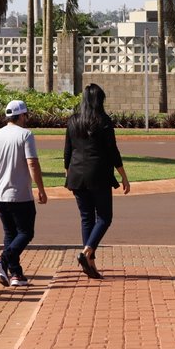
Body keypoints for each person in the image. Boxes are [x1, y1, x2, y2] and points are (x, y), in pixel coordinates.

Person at [64, 84, 130, 279]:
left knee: (87, 218)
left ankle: (90, 263)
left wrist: (68, 174)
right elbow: (112, 152)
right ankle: (87, 253)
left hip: (77, 174)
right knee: (104, 218)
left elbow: (67, 151)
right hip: (98, 174)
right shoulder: (103, 121)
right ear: (99, 100)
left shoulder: (73, 120)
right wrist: (123, 176)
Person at [0, 100, 47, 287]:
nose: (26, 119)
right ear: (21, 116)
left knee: (10, 233)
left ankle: (16, 275)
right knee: (26, 232)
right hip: (19, 194)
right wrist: (41, 189)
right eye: (25, 115)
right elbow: (32, 163)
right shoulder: (25, 135)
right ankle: (3, 260)